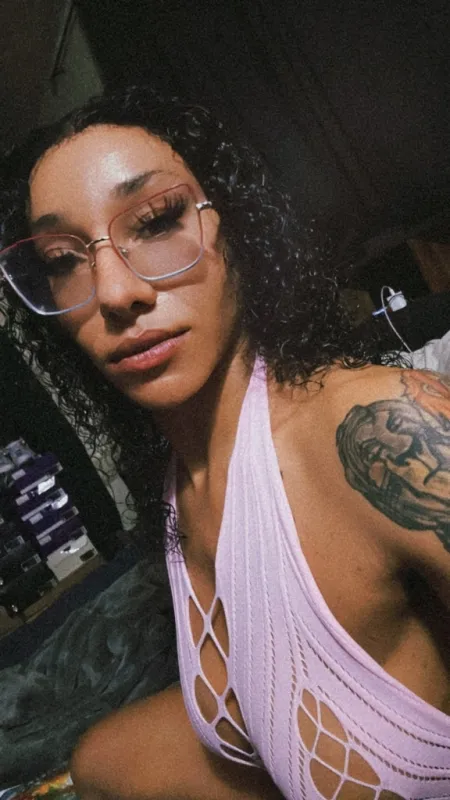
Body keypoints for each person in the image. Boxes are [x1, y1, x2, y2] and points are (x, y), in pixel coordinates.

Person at [0, 85, 449, 800]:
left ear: (237, 229)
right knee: (99, 759)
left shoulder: (380, 429)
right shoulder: (181, 484)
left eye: (156, 221)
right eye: (63, 259)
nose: (113, 292)